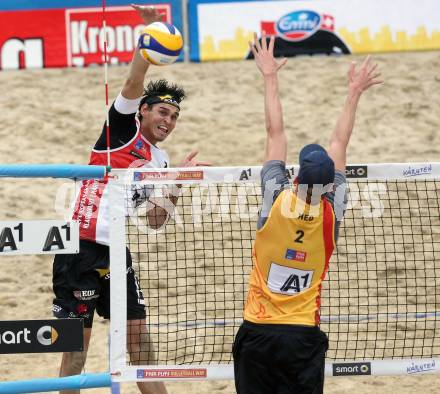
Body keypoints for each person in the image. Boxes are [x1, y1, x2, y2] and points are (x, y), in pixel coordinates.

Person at [52, 5, 208, 394]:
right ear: (143, 111)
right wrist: (151, 31)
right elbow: (134, 78)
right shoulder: (122, 129)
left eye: (174, 117)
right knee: (75, 354)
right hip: (79, 250)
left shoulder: (161, 159)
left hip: (118, 254)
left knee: (142, 347)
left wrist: (177, 184)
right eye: (162, 111)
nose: (168, 122)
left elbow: (155, 220)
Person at [233, 32, 382, 394]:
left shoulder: (275, 198)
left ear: (295, 175)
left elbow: (275, 131)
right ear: (331, 183)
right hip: (302, 337)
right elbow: (340, 143)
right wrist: (353, 93)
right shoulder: (333, 214)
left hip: (259, 331)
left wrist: (270, 77)